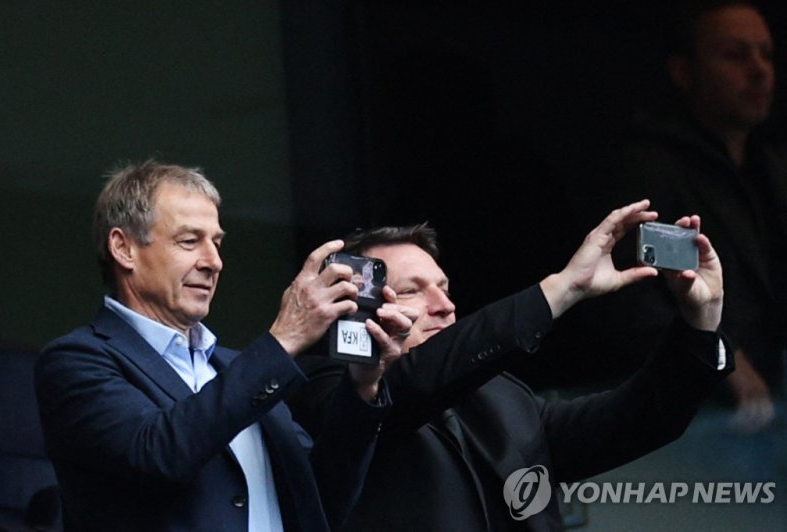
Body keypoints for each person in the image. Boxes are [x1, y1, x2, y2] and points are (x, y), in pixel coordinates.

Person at [287, 199, 733, 530]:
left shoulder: (500, 396)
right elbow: (409, 388)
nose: (444, 305)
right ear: (353, 306)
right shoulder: (325, 386)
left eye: (444, 287)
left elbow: (636, 420)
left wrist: (700, 322)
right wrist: (563, 288)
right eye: (411, 291)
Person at [34, 160, 416, 531]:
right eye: (189, 241)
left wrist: (362, 385)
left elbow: (320, 502)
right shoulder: (77, 359)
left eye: (217, 243)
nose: (214, 262)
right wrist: (284, 339)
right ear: (124, 248)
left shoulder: (236, 369)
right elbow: (157, 455)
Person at [584, 0, 785, 432]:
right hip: (697, 412)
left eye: (766, 54)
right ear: (683, 72)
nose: (758, 69)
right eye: (735, 54)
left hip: (770, 407)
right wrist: (717, 353)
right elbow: (627, 297)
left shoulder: (771, 166)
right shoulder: (648, 165)